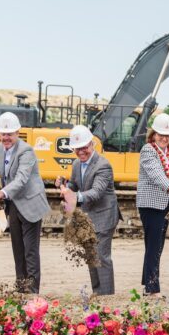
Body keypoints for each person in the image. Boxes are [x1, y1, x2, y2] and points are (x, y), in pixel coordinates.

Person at [0, 112, 50, 293]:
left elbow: (21, 179)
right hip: (13, 205)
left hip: (30, 204)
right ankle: (21, 288)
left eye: (9, 134)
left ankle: (33, 290)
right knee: (18, 249)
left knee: (30, 250)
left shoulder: (26, 151)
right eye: (3, 134)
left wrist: (2, 193)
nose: (6, 138)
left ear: (18, 132)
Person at [57, 125, 122, 295]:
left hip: (104, 216)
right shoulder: (77, 163)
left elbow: (96, 192)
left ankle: (107, 297)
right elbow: (74, 183)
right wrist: (65, 184)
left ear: (92, 144)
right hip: (89, 217)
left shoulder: (103, 165)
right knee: (91, 257)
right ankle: (98, 293)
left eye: (84, 147)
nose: (81, 152)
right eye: (77, 149)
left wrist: (74, 197)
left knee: (101, 257)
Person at [136, 113, 169, 296]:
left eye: (168, 135)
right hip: (151, 205)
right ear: (153, 134)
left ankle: (147, 281)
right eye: (161, 134)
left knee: (157, 246)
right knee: (154, 245)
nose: (164, 138)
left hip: (165, 204)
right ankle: (152, 288)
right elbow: (157, 174)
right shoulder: (148, 150)